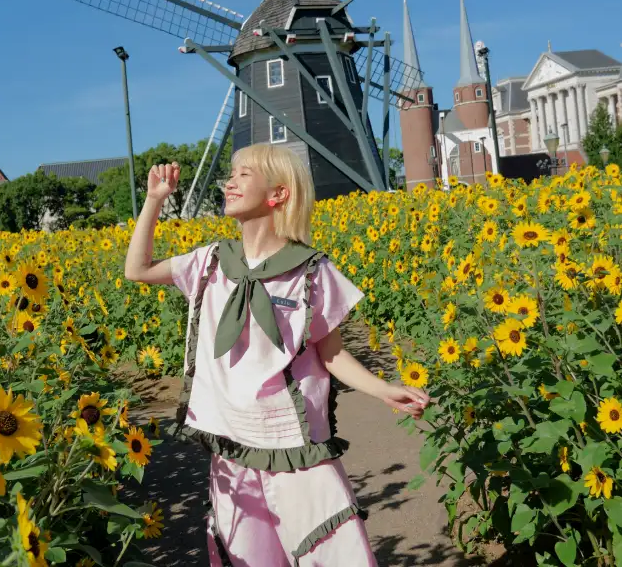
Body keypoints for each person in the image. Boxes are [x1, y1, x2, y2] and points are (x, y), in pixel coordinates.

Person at [124, 143, 430, 566]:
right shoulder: (210, 262)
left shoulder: (310, 271)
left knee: (334, 552)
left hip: (293, 444)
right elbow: (136, 270)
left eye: (244, 174)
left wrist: (384, 390)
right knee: (248, 556)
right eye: (231, 174)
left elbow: (332, 355)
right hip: (231, 444)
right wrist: (155, 200)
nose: (229, 182)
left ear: (279, 193)